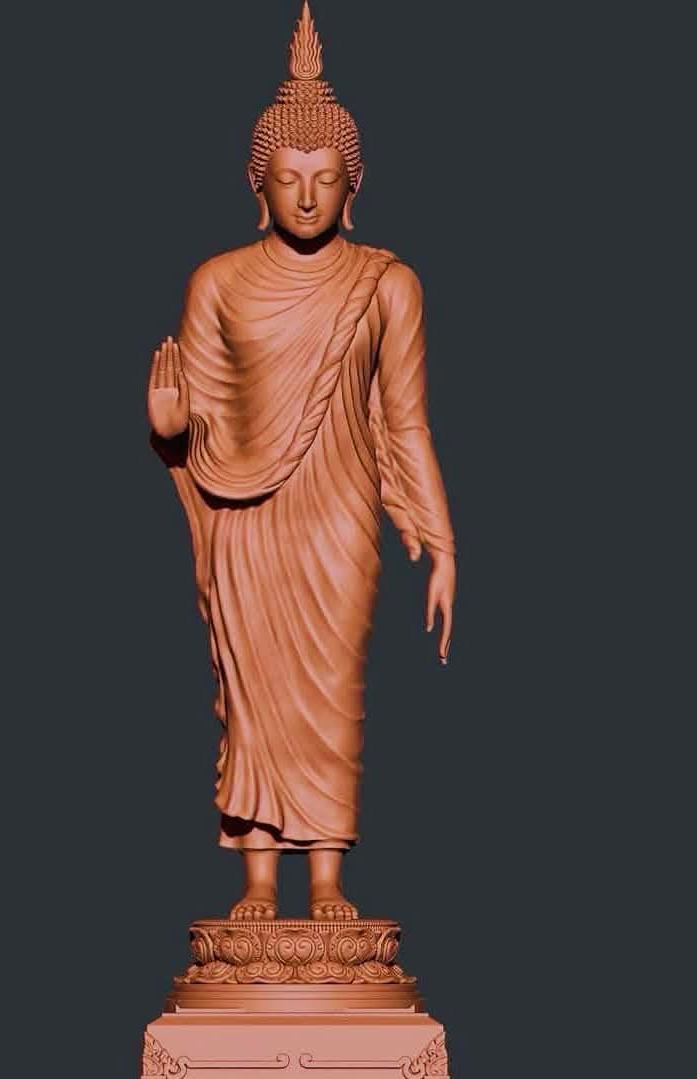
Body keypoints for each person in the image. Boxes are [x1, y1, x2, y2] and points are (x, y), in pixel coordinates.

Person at [147, 1, 456, 922]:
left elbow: (405, 422)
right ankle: (255, 878)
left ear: (353, 185)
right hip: (246, 515)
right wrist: (170, 428)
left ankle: (325, 877)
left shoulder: (387, 284)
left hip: (338, 517)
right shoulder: (217, 282)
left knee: (328, 688)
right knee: (252, 691)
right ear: (259, 185)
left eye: (326, 178)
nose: (308, 197)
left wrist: (441, 540)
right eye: (289, 178)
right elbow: (199, 411)